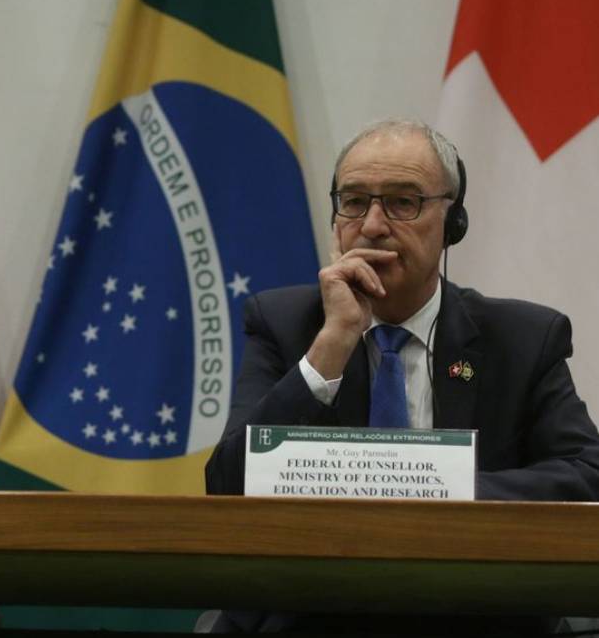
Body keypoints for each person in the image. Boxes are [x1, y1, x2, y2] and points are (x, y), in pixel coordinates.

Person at [205, 120, 599, 501]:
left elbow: (588, 473)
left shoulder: (523, 340)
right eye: (354, 202)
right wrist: (333, 343)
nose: (372, 226)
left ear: (452, 223)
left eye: (403, 202)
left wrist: (439, 490)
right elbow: (228, 482)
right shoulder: (283, 323)